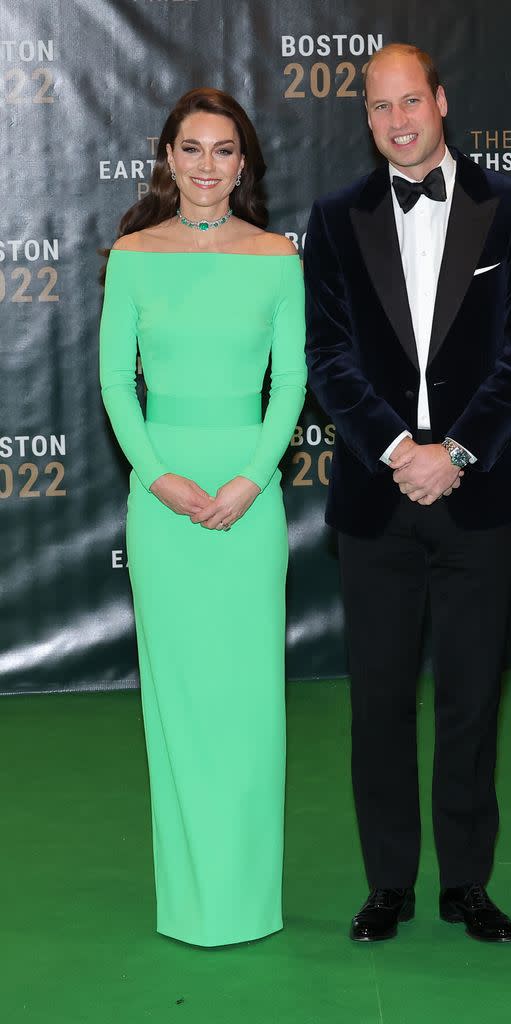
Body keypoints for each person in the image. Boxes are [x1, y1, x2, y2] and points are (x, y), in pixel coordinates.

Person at [304, 44, 511, 944]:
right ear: (365, 118)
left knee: (469, 697)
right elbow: (326, 357)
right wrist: (393, 450)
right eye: (379, 108)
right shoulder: (335, 219)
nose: (397, 120)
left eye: (410, 101)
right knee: (376, 701)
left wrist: (451, 450)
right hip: (378, 500)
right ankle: (387, 884)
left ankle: (466, 883)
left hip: (476, 492)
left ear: (441, 101)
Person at [99, 88, 306, 947]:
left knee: (250, 701)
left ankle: (248, 898)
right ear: (168, 157)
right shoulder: (132, 254)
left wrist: (253, 479)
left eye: (225, 151)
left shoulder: (277, 258)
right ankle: (190, 902)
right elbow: (117, 382)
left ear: (245, 163)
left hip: (248, 505)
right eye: (192, 149)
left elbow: (290, 381)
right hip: (165, 503)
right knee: (179, 702)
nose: (207, 166)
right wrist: (158, 479)